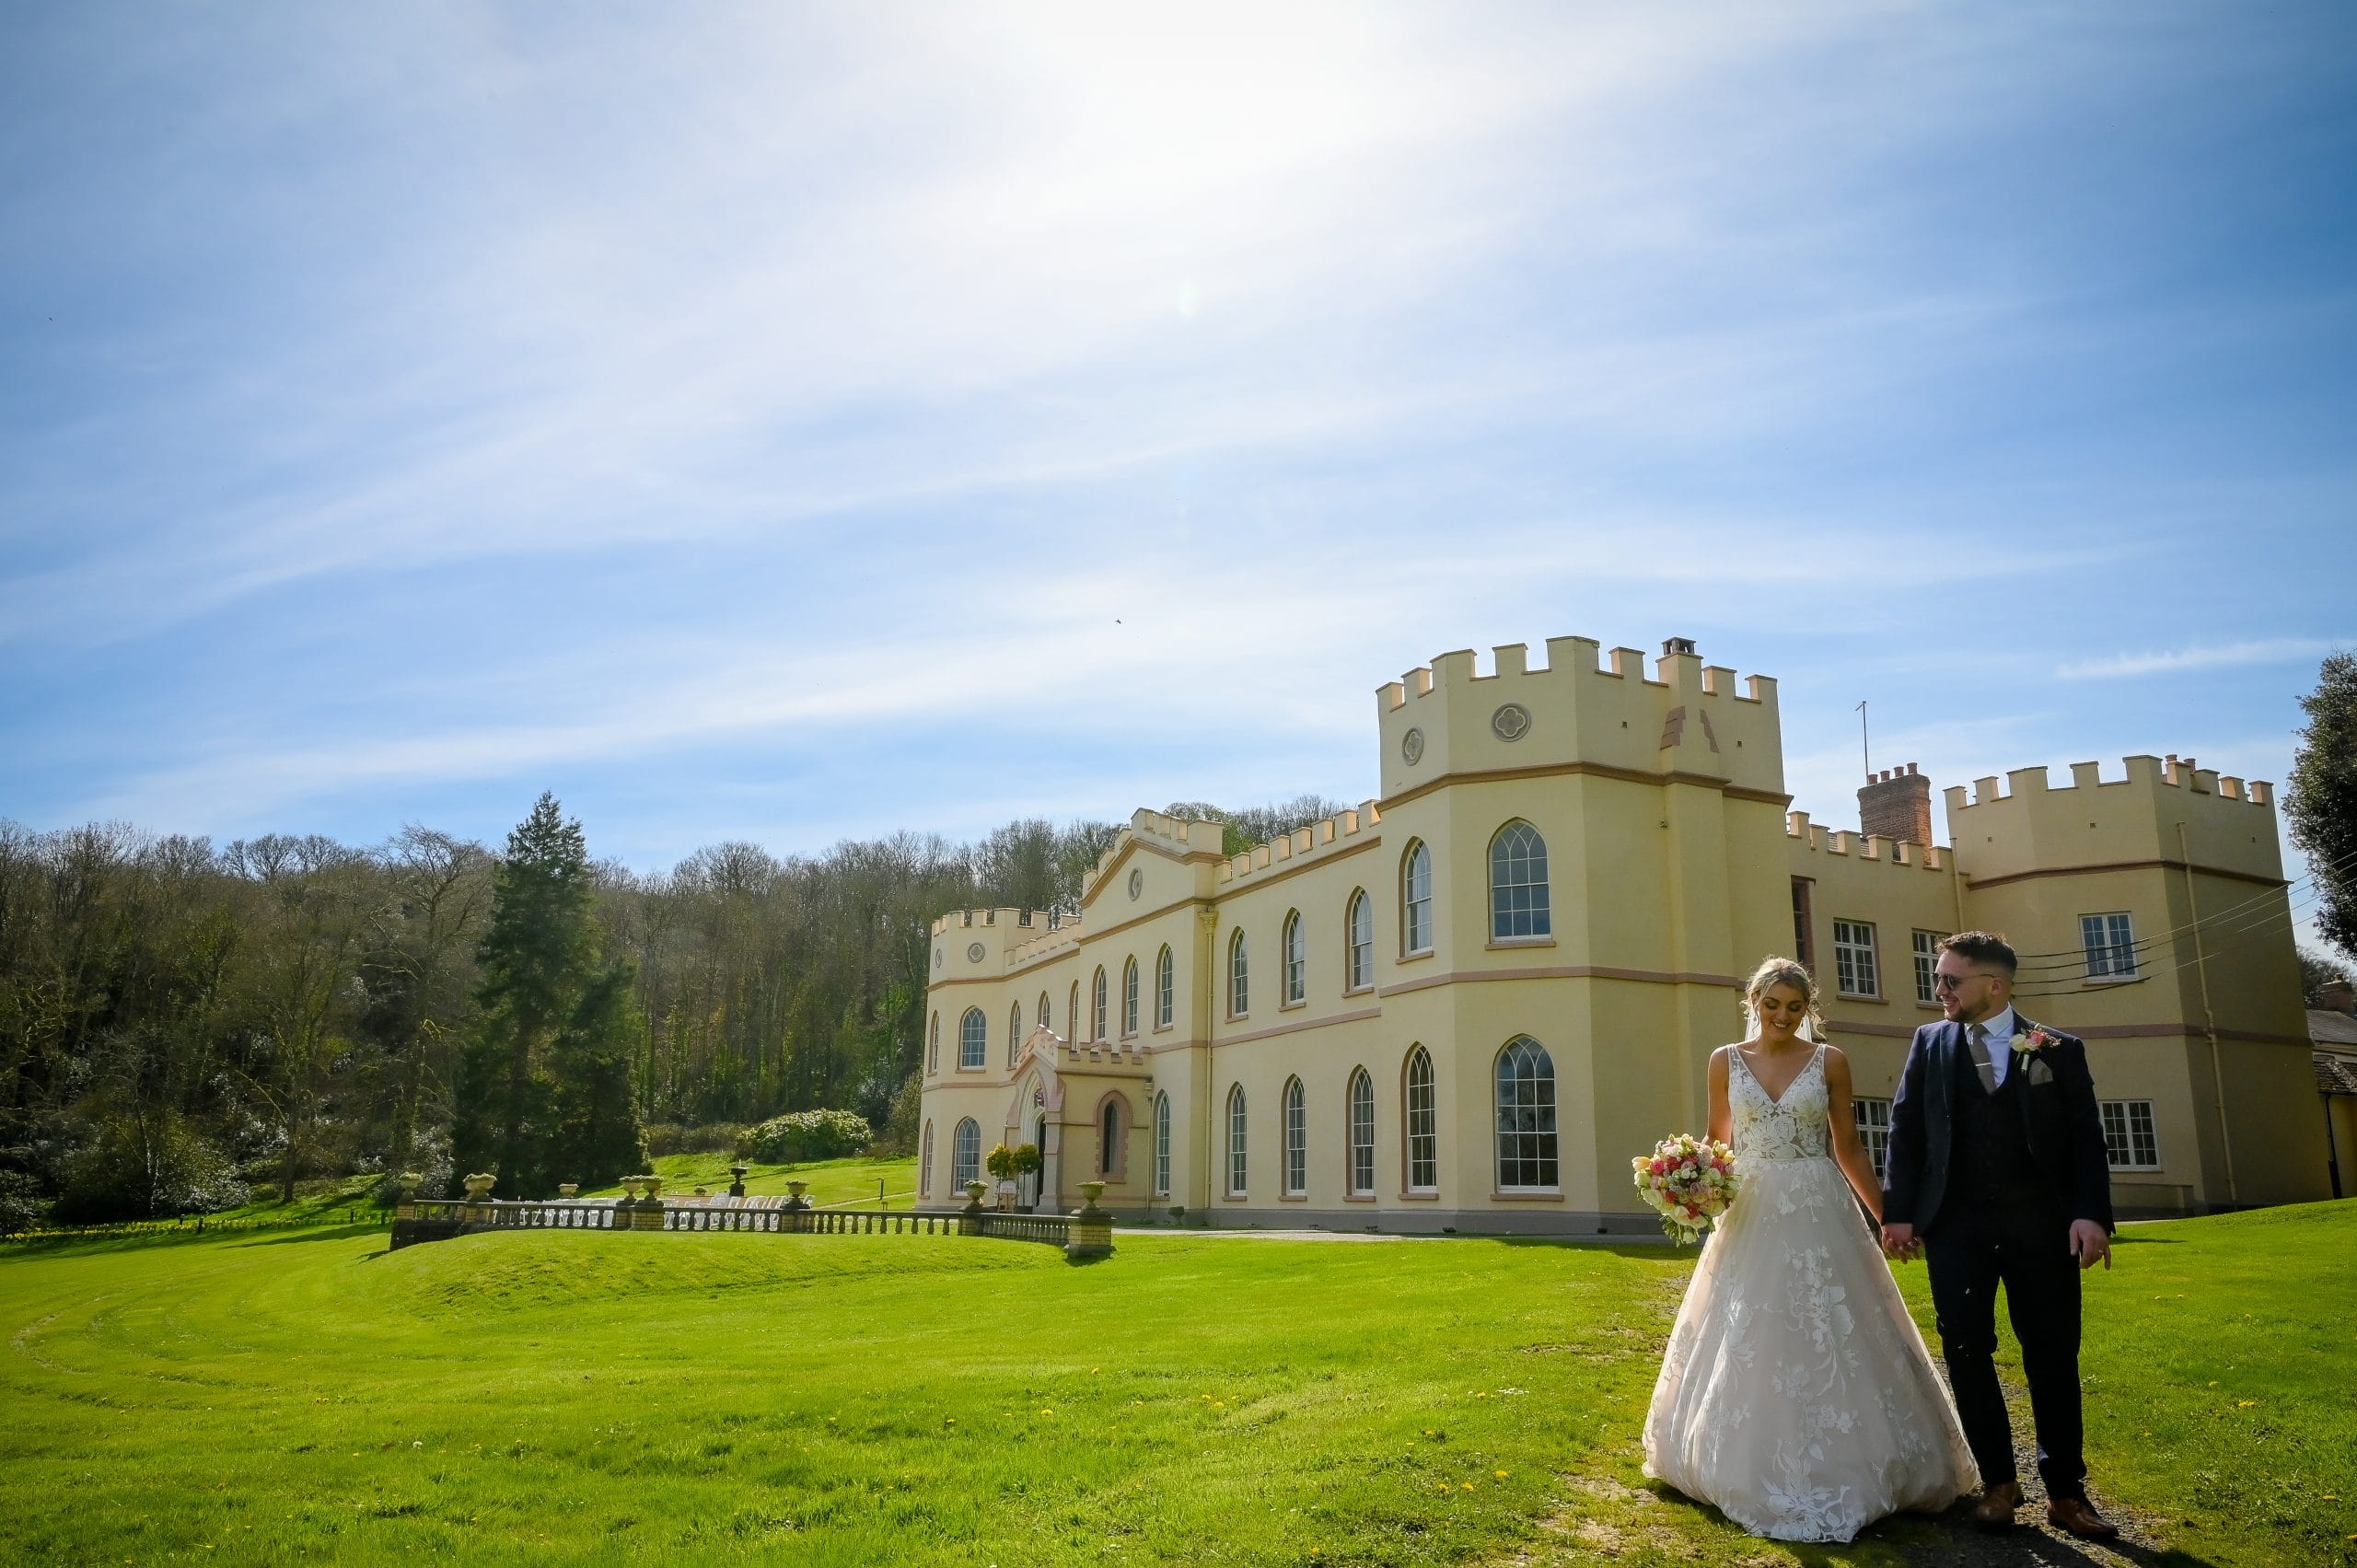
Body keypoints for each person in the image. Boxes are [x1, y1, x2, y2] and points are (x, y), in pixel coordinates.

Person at [1643, 957, 1977, 1541]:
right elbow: (1718, 1141)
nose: (1783, 1016)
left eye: (1795, 1007)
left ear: (1807, 1009)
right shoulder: (1724, 1060)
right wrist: (1690, 1185)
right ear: (1754, 1002)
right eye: (1773, 1004)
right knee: (1748, 1325)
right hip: (1749, 1208)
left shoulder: (1830, 1061)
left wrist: (1888, 1219)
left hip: (1816, 1202)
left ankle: (1860, 1460)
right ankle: (1734, 1456)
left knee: (1832, 1321)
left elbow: (1847, 1147)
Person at [1880, 931, 2119, 1539]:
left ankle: (2065, 1492)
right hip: (1956, 1227)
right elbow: (1906, 1130)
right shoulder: (1929, 1042)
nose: (1938, 989)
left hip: (2043, 1227)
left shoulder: (2056, 1049)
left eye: (1950, 980)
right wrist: (1898, 1212)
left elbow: (2086, 1138)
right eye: (1937, 977)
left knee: (2053, 1354)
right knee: (1965, 1350)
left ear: (1994, 984)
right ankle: (1998, 1484)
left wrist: (2091, 1214)